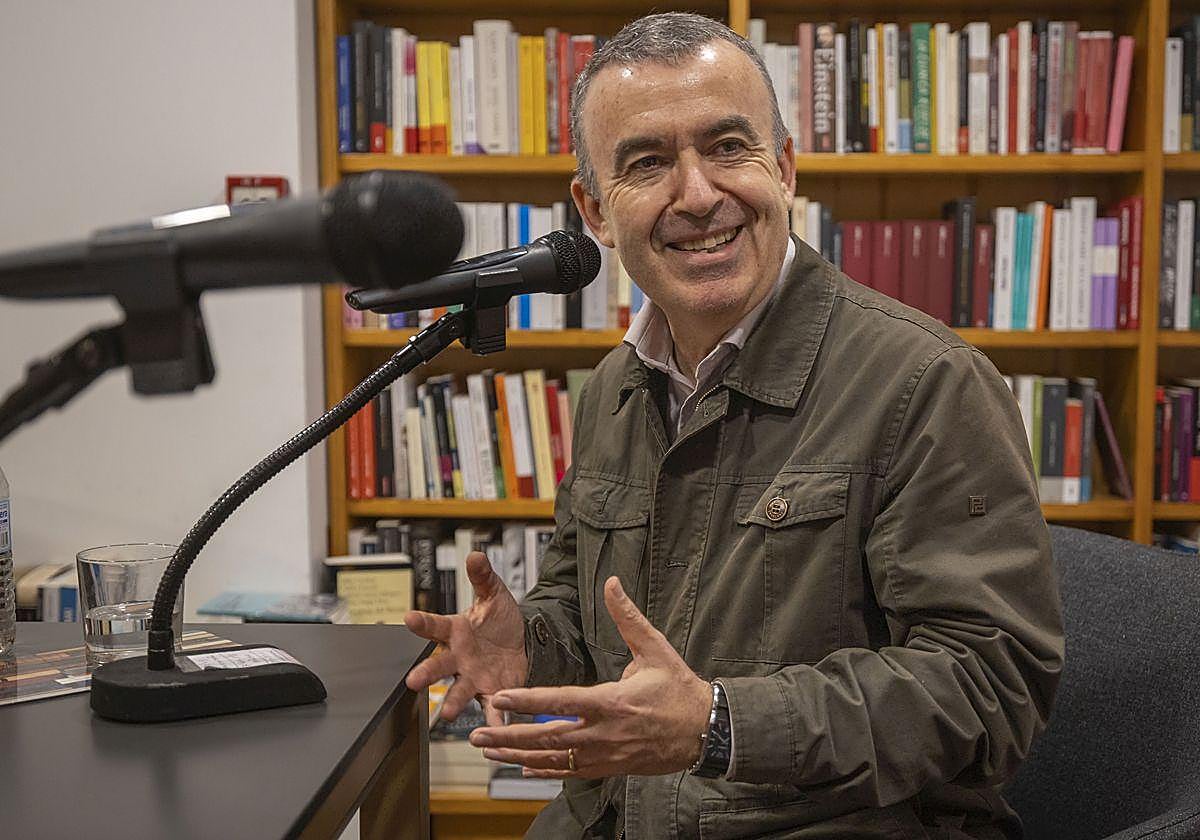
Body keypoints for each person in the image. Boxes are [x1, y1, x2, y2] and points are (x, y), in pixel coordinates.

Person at [404, 12, 1064, 839]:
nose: (697, 194)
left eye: (726, 147)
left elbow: (991, 689)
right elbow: (588, 609)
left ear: (782, 168)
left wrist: (720, 726)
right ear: (596, 211)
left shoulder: (926, 383)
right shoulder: (614, 389)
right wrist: (530, 644)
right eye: (647, 163)